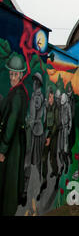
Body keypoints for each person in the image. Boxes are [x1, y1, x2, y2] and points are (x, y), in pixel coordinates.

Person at [0, 53, 29, 215]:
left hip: (13, 143)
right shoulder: (18, 92)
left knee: (10, 179)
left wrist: (3, 149)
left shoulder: (17, 95)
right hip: (17, 140)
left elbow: (11, 122)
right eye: (11, 73)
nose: (12, 76)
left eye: (15, 74)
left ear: (20, 75)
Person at [37, 86, 59, 200]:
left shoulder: (56, 107)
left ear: (53, 97)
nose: (49, 99)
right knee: (44, 158)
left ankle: (55, 171)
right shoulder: (46, 107)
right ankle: (44, 178)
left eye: (50, 97)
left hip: (54, 135)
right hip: (47, 134)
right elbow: (45, 121)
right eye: (48, 97)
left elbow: (56, 124)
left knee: (52, 157)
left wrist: (50, 137)